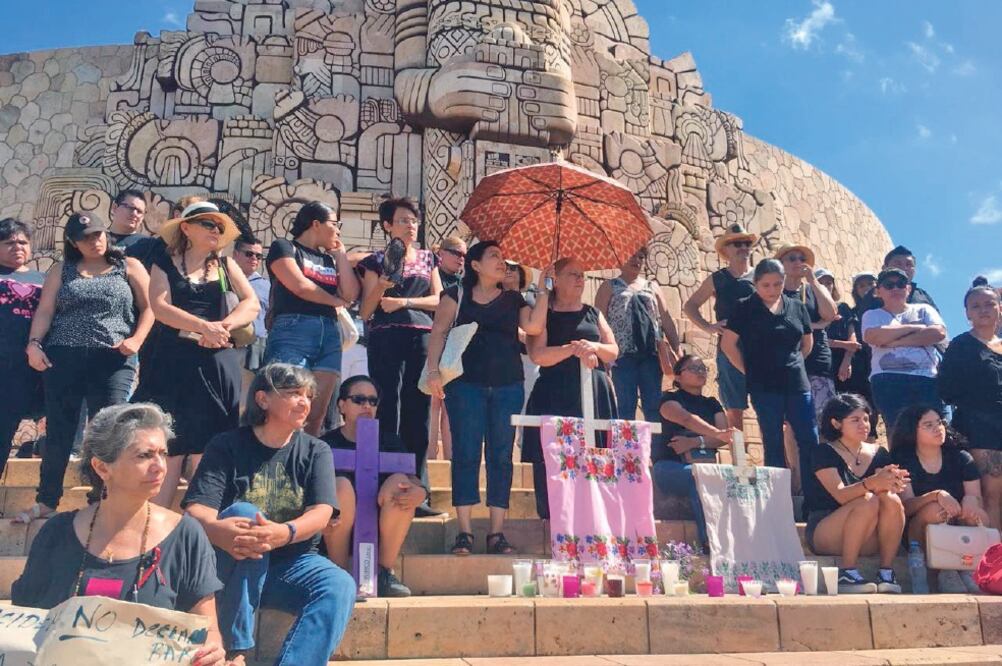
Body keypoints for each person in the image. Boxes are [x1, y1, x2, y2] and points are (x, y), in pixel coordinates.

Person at [11, 403, 232, 665]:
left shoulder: (185, 535)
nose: (160, 466)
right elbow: (24, 624)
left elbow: (208, 631)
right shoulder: (56, 534)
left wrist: (213, 651)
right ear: (102, 467)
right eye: (144, 455)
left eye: (163, 453)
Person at [183, 363, 356, 663]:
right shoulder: (226, 445)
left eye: (308, 395)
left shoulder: (316, 450)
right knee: (245, 513)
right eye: (293, 393)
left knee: (339, 584)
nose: (304, 402)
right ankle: (236, 649)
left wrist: (284, 533)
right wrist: (217, 528)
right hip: (230, 561)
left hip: (292, 563)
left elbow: (322, 511)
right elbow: (196, 508)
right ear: (262, 399)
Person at [17, 213, 153, 523]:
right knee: (60, 431)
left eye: (99, 234)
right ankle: (47, 499)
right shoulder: (61, 271)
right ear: (73, 243)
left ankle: (103, 497)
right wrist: (34, 344)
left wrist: (136, 341)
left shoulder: (128, 267)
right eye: (87, 237)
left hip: (113, 358)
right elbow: (45, 310)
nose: (96, 241)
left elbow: (149, 310)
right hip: (63, 357)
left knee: (112, 431)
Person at [425, 241, 549, 555]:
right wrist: (433, 372)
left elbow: (533, 325)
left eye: (502, 256)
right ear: (476, 265)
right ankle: (464, 531)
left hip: (508, 385)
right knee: (465, 453)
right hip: (465, 385)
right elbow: (438, 332)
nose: (501, 261)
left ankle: (497, 532)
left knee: (501, 456)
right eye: (493, 255)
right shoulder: (456, 295)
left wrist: (543, 287)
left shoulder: (513, 298)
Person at [138, 202, 258, 509]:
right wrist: (202, 327)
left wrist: (222, 327)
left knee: (213, 441)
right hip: (172, 360)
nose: (215, 231)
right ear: (186, 228)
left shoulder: (226, 265)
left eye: (219, 227)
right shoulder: (164, 262)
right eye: (208, 224)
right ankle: (157, 530)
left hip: (217, 360)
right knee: (171, 443)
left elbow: (251, 304)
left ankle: (204, 527)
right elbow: (161, 307)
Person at [359, 197, 441, 515]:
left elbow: (438, 300)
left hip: (420, 338)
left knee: (418, 412)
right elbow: (366, 310)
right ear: (387, 225)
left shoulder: (427, 259)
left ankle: (418, 487)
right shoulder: (375, 260)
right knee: (385, 408)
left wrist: (405, 303)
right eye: (404, 220)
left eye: (414, 221)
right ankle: (382, 482)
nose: (411, 226)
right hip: (385, 338)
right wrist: (382, 286)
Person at [522, 257, 618, 519]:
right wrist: (573, 349)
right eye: (573, 274)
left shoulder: (593, 313)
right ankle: (553, 519)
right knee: (552, 458)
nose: (580, 279)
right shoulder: (546, 313)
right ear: (557, 279)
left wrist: (593, 347)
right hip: (554, 391)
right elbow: (538, 355)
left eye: (582, 275)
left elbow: (612, 351)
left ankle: (595, 515)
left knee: (595, 453)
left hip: (594, 392)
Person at [322, 375, 426, 597]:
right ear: (342, 405)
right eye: (359, 400)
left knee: (400, 483)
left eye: (373, 401)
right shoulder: (325, 444)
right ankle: (337, 574)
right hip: (335, 533)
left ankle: (383, 573)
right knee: (340, 487)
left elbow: (414, 481)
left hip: (381, 530)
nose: (367, 406)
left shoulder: (390, 442)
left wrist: (420, 492)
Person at [264, 202, 359, 435]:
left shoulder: (329, 260)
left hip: (329, 334)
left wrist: (341, 256)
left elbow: (350, 294)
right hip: (293, 329)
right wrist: (335, 302)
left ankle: (303, 466)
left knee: (315, 414)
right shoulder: (284, 247)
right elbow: (299, 286)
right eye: (335, 224)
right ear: (316, 224)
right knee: (285, 404)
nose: (338, 231)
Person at [720, 259, 818, 483]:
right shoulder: (744, 308)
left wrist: (794, 364)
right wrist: (748, 370)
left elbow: (807, 343)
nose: (772, 290)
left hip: (797, 384)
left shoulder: (797, 306)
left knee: (809, 437)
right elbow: (728, 345)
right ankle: (779, 497)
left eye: (778, 284)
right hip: (764, 386)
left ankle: (813, 497)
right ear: (755, 284)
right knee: (772, 440)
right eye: (766, 285)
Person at [805, 393, 908, 594]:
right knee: (867, 500)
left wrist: (893, 484)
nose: (864, 425)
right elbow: (841, 495)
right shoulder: (823, 452)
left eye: (866, 419)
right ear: (836, 423)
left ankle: (886, 572)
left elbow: (886, 490)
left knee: (891, 499)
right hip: (827, 530)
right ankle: (847, 572)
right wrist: (873, 483)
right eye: (855, 420)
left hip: (868, 535)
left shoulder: (880, 453)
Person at [891, 404, 988, 593]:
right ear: (912, 431)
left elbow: (975, 495)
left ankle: (967, 568)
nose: (938, 428)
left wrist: (972, 500)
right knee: (936, 510)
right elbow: (906, 507)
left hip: (957, 523)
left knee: (977, 514)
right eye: (928, 425)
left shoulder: (961, 457)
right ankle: (933, 568)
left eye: (940, 422)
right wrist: (936, 495)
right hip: (917, 531)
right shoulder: (903, 459)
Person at [938, 279, 1002, 528]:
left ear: (999, 307)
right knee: (991, 494)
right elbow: (946, 389)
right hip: (979, 428)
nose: (983, 309)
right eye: (976, 306)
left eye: (989, 304)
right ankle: (993, 562)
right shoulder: (961, 345)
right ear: (966, 313)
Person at [682, 223, 757, 430]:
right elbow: (690, 306)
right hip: (728, 349)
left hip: (759, 348)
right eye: (735, 243)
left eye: (745, 243)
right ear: (726, 250)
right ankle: (739, 459)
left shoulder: (760, 277)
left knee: (769, 406)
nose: (742, 247)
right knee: (734, 409)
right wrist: (709, 327)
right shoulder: (718, 279)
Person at [655, 354, 734, 548]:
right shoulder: (669, 399)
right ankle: (711, 542)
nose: (700, 372)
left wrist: (695, 442)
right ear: (678, 377)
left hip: (704, 465)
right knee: (698, 478)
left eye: (702, 369)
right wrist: (714, 434)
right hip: (669, 466)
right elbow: (686, 419)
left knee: (715, 479)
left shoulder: (712, 403)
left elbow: (724, 438)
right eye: (693, 368)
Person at [595, 246, 680, 422]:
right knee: (625, 406)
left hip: (651, 354)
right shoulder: (609, 287)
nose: (637, 260)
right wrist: (602, 355)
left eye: (641, 257)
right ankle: (625, 449)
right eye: (631, 256)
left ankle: (654, 448)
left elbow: (665, 319)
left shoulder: (652, 287)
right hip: (621, 355)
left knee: (653, 406)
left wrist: (676, 348)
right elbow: (599, 320)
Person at [861, 268, 947, 438]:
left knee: (936, 431)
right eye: (889, 285)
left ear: (908, 289)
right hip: (888, 379)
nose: (895, 289)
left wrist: (894, 340)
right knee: (898, 432)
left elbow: (938, 333)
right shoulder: (872, 314)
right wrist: (915, 327)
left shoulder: (924, 309)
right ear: (878, 292)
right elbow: (872, 336)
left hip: (927, 379)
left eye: (900, 284)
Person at [0, 219, 44, 477]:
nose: (17, 247)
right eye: (9, 242)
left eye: (22, 242)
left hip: (31, 368)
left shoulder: (45, 279)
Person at [775, 246, 837, 419]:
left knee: (824, 418)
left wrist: (814, 282)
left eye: (802, 259)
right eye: (792, 258)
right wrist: (814, 325)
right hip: (788, 361)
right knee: (792, 422)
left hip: (817, 360)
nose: (798, 262)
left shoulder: (812, 289)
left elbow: (830, 314)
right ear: (780, 265)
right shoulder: (775, 293)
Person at [828, 272, 878, 439]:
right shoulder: (853, 311)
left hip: (879, 366)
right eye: (861, 286)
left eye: (870, 284)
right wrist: (847, 359)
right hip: (859, 367)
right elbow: (852, 341)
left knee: (872, 412)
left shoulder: (885, 310)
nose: (866, 289)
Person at [430, 236, 467, 460]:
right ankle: (431, 457)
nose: (461, 259)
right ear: (440, 252)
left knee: (450, 405)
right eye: (456, 252)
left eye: (464, 254)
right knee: (433, 402)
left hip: (454, 346)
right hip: (432, 340)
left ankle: (451, 460)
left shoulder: (463, 283)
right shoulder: (431, 274)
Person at [232, 235, 270, 401]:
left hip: (258, 347)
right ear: (236, 254)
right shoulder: (223, 280)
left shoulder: (267, 285)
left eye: (258, 256)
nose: (254, 258)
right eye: (249, 254)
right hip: (232, 346)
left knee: (248, 400)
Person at [859, 245, 940, 314]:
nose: (904, 268)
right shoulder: (873, 296)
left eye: (909, 264)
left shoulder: (922, 296)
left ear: (914, 270)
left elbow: (939, 328)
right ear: (884, 268)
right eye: (897, 263)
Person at [107, 189, 164, 271]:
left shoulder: (151, 245)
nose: (134, 214)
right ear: (115, 208)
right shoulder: (98, 240)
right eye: (130, 208)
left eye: (139, 211)